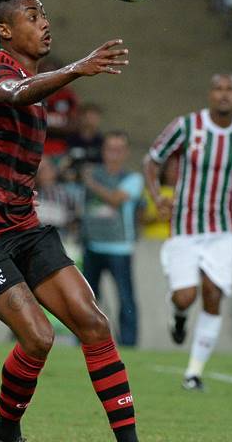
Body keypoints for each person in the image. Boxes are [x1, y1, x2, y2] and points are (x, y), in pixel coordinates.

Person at [0, 0, 137, 442]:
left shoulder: (24, 82)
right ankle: (6, 429)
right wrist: (78, 68)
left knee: (93, 322)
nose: (44, 23)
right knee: (38, 337)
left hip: (25, 226)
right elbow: (13, 94)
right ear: (6, 32)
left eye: (43, 13)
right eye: (32, 17)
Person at [143, 72, 232, 392]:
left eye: (230, 90)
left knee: (213, 293)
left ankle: (193, 373)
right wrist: (158, 197)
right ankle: (179, 315)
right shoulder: (187, 126)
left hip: (224, 228)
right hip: (185, 225)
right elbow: (152, 160)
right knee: (186, 296)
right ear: (210, 94)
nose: (224, 95)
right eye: (218, 89)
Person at [81, 131, 144, 347]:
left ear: (125, 153)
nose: (113, 154)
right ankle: (85, 341)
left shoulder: (133, 178)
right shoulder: (91, 173)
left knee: (125, 298)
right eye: (110, 149)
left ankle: (129, 344)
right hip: (91, 245)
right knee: (87, 299)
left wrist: (90, 182)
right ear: (103, 151)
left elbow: (116, 199)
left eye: (118, 149)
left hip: (120, 247)